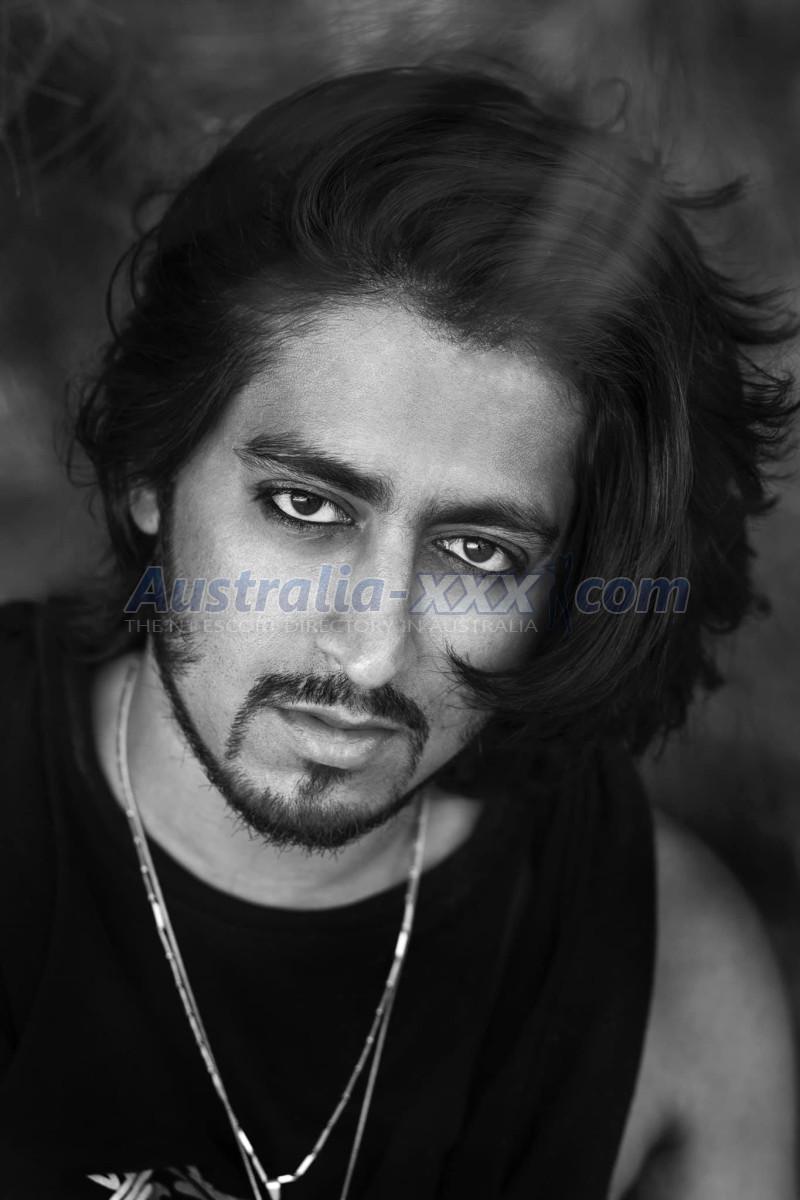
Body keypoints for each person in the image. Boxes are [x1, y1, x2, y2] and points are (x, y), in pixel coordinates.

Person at [0, 63, 796, 1200]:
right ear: (149, 470)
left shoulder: (664, 959)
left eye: (478, 552)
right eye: (305, 506)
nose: (371, 652)